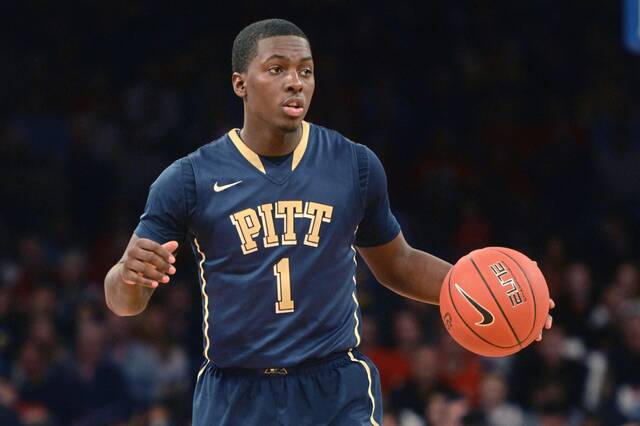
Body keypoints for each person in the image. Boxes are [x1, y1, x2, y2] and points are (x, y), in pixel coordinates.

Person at [104, 18, 553, 425]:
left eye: (306, 70)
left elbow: (396, 262)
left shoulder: (354, 165)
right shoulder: (189, 178)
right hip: (237, 393)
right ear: (240, 83)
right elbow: (126, 302)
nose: (295, 82)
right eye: (277, 69)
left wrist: (487, 295)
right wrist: (128, 274)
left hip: (334, 386)